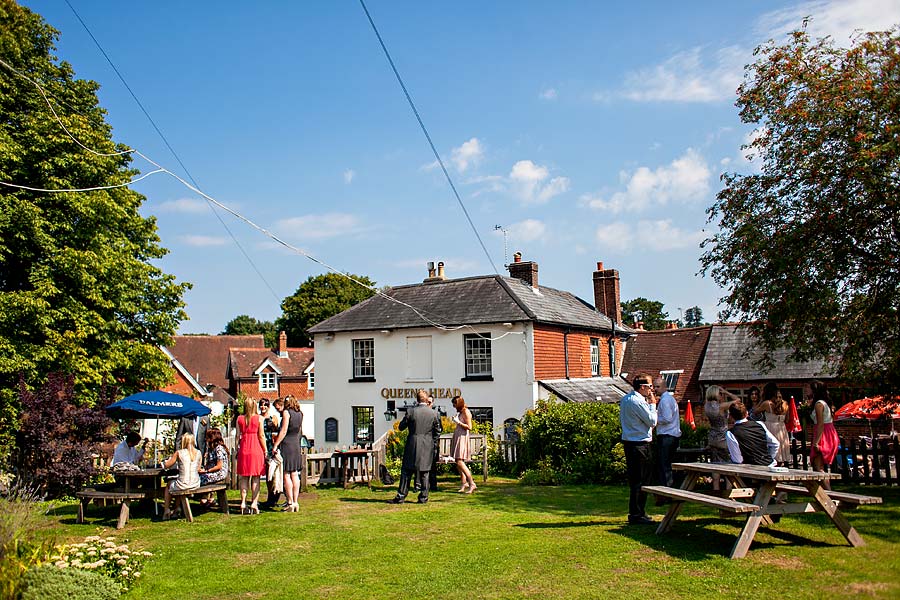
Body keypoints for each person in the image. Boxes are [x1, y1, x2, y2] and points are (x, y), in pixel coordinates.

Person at [388, 389, 441, 504]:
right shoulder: (434, 413)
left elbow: (401, 427)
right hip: (427, 444)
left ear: (417, 400)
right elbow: (437, 432)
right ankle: (423, 497)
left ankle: (401, 496)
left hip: (413, 442)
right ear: (427, 400)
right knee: (425, 472)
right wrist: (433, 443)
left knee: (406, 471)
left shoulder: (411, 411)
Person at [619, 373, 658, 525]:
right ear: (642, 387)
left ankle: (637, 512)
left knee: (636, 479)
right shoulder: (638, 402)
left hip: (630, 442)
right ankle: (637, 513)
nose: (651, 390)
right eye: (650, 386)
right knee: (641, 480)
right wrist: (653, 404)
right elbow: (652, 421)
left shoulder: (626, 399)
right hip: (640, 444)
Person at [703, 385, 740, 491]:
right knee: (728, 464)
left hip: (712, 437)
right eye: (720, 394)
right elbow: (738, 400)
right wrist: (727, 392)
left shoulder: (707, 406)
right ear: (716, 394)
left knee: (716, 465)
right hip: (723, 436)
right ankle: (728, 492)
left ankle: (716, 490)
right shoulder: (721, 406)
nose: (722, 395)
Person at [235, 397, 267, 514]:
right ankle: (254, 502)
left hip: (244, 449)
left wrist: (238, 448)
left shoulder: (239, 419)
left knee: (244, 477)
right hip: (256, 449)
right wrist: (265, 450)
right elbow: (261, 436)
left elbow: (237, 436)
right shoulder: (259, 419)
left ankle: (243, 502)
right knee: (256, 477)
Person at [272, 395, 303, 512]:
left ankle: (290, 502)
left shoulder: (286, 413)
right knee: (295, 474)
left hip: (287, 444)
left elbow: (284, 430)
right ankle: (296, 502)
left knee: (286, 474)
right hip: (296, 443)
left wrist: (275, 445)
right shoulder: (300, 413)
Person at [725, 402, 780, 466]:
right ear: (747, 413)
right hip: (769, 464)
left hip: (750, 469)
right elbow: (775, 444)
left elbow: (738, 460)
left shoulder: (731, 433)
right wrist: (767, 458)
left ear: (730, 416)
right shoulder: (759, 424)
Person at [162, 432, 202, 520]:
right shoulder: (198, 453)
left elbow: (167, 465)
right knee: (177, 483)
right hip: (195, 483)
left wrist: (164, 462)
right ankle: (177, 508)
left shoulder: (179, 453)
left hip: (183, 484)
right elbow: (198, 468)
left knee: (169, 485)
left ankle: (166, 509)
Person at [807, 379, 839, 490]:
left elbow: (820, 424)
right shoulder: (825, 403)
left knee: (818, 467)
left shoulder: (819, 404)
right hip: (828, 431)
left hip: (823, 433)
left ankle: (829, 495)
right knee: (818, 468)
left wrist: (816, 442)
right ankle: (825, 494)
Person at [653, 376, 681, 489]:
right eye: (654, 386)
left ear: (664, 387)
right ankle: (668, 489)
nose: (655, 389)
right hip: (671, 435)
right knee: (667, 464)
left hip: (667, 436)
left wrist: (654, 419)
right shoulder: (669, 399)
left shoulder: (665, 401)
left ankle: (666, 490)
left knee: (665, 465)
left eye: (657, 386)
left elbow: (667, 418)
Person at [755, 382, 791, 466]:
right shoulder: (785, 404)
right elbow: (787, 420)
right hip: (782, 430)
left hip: (771, 428)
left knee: (772, 452)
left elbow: (755, 411)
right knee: (781, 453)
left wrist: (761, 399)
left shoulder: (767, 403)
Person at [450, 395, 477, 493]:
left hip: (462, 437)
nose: (453, 406)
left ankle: (471, 483)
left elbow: (469, 427)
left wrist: (458, 422)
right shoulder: (461, 412)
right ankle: (463, 483)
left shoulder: (466, 412)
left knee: (460, 461)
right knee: (458, 462)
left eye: (454, 404)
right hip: (458, 436)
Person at [262, 397, 285, 509]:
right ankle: (270, 496)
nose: (263, 407)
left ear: (268, 407)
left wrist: (274, 426)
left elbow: (277, 431)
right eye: (261, 405)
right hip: (261, 447)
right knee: (266, 474)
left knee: (272, 472)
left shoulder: (273, 418)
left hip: (270, 446)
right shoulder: (258, 418)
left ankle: (274, 496)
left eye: (265, 405)